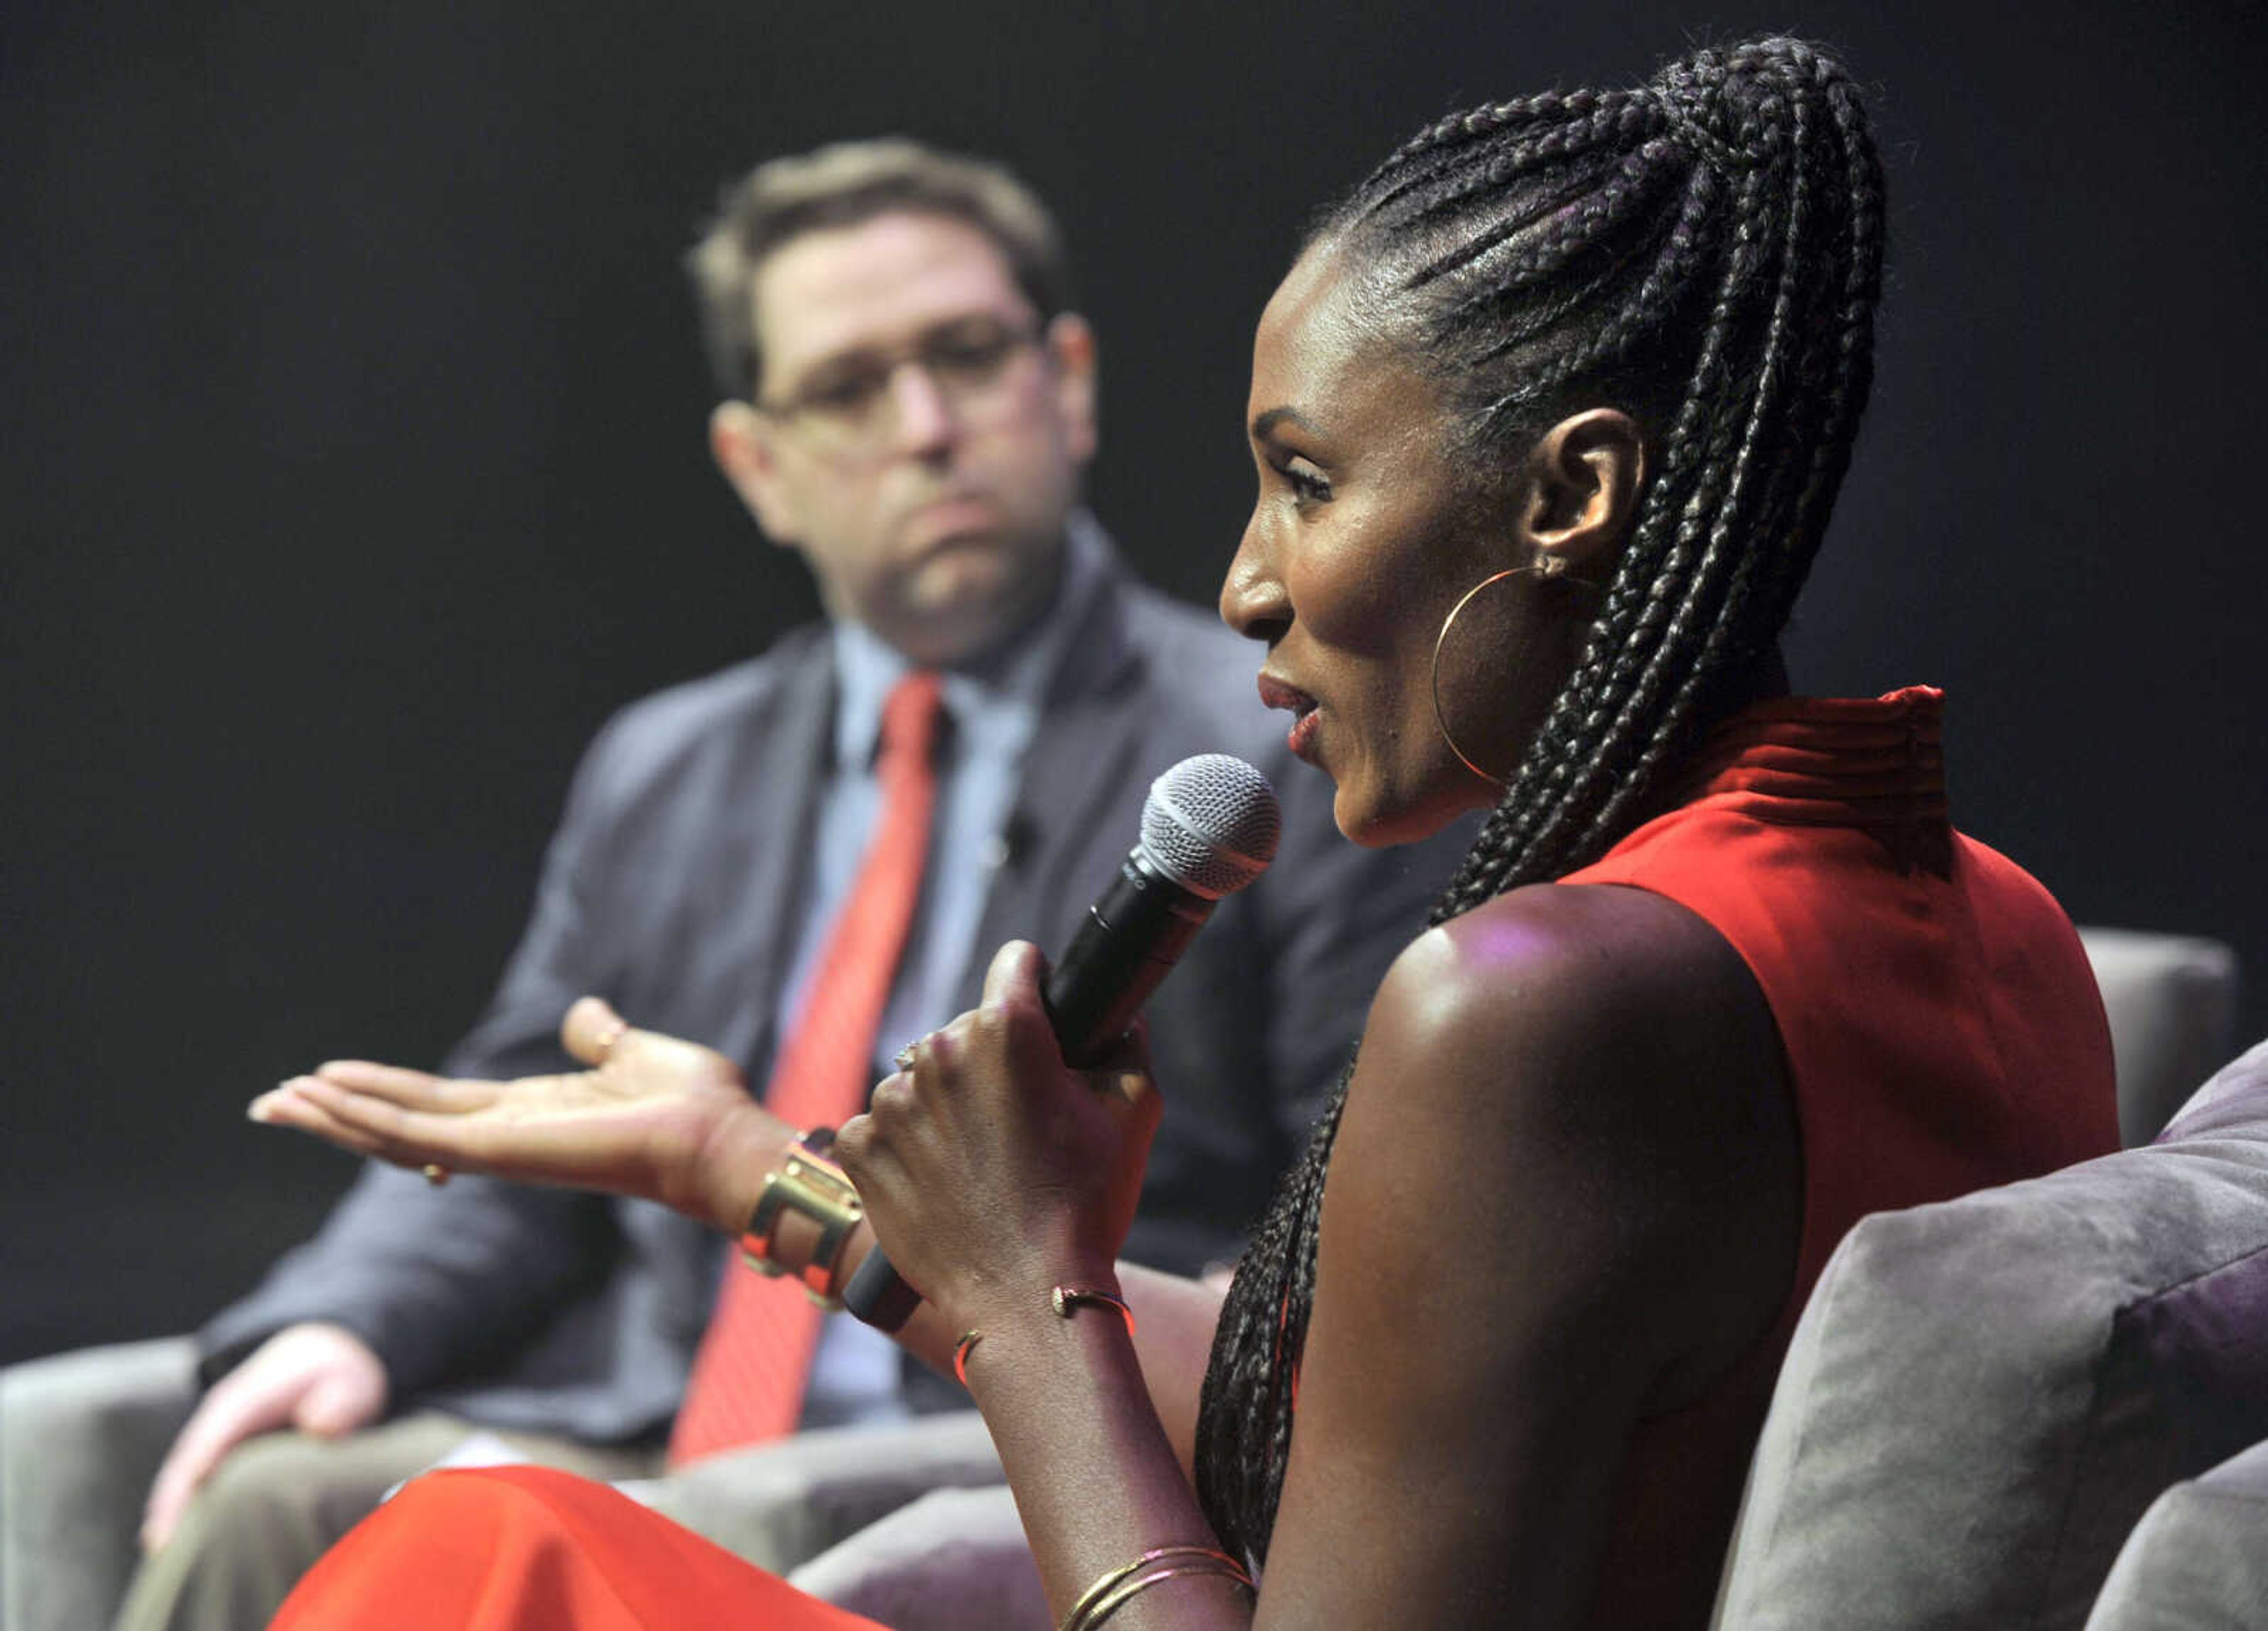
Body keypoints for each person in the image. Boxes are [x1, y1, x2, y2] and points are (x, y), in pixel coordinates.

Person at [246, 38, 2121, 1630]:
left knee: (478, 1564)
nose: (1244, 584)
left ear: (1572, 497)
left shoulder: (1537, 1007)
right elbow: (1339, 1406)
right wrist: (757, 1170)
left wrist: (1030, 1291)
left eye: (1305, 481)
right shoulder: (1994, 907)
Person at [108, 138, 1468, 1631]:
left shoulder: (1279, 740)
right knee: (261, 1505)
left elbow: (1346, 1229)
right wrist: (342, 1318)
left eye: (969, 356)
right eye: (848, 389)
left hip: (981, 1432)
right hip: (656, 1420)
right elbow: (529, 1116)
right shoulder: (666, 767)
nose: (929, 427)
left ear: (1067, 384)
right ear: (758, 466)